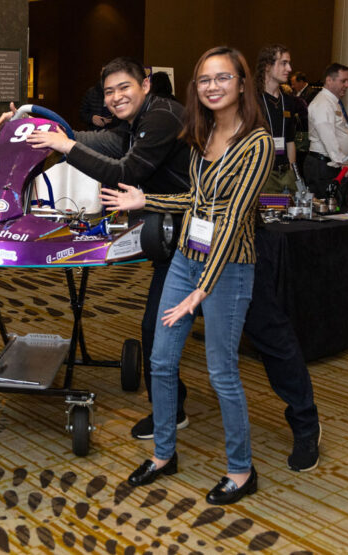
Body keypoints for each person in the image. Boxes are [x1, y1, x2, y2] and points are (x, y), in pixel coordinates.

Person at [101, 46, 272, 505]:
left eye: (221, 78)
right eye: (203, 80)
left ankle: (241, 470)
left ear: (240, 84)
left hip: (228, 268)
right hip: (188, 256)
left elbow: (234, 218)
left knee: (221, 372)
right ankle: (163, 455)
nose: (212, 87)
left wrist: (202, 289)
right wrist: (146, 201)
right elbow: (196, 205)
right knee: (160, 360)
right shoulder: (202, 135)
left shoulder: (256, 144)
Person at [0, 57, 190, 440]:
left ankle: (297, 419)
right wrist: (30, 124)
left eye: (123, 88)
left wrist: (62, 145)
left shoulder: (162, 116)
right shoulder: (133, 124)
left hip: (201, 238)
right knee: (160, 326)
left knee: (228, 334)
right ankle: (172, 408)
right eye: (109, 92)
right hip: (172, 235)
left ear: (145, 84)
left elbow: (124, 172)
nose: (116, 97)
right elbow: (95, 140)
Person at [306, 63, 348, 198]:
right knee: (328, 210)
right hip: (323, 167)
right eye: (343, 81)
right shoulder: (322, 103)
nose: (347, 85)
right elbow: (328, 137)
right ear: (329, 80)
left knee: (337, 208)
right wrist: (344, 165)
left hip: (331, 165)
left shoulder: (332, 102)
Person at [254, 45, 297, 193]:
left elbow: (290, 140)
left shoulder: (288, 100)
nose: (289, 68)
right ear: (267, 66)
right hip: (263, 175)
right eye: (283, 63)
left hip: (286, 175)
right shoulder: (253, 100)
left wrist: (292, 171)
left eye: (289, 63)